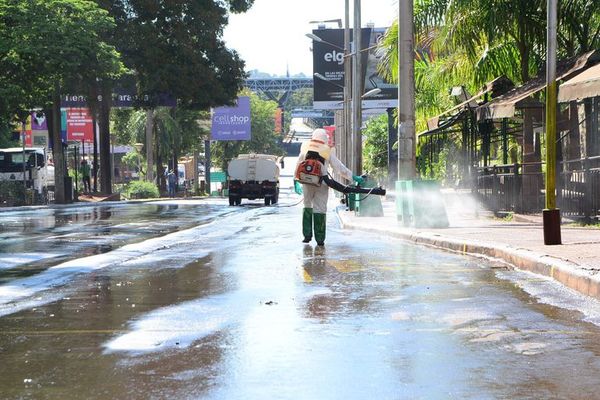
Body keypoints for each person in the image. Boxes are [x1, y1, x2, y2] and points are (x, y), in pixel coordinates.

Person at [294, 128, 363, 246]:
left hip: (306, 182)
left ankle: (307, 236)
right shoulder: (327, 151)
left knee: (307, 206)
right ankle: (320, 239)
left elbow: (298, 165)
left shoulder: (305, 148)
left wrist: (296, 181)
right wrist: (353, 177)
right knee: (319, 209)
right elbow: (339, 168)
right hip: (322, 183)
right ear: (325, 139)